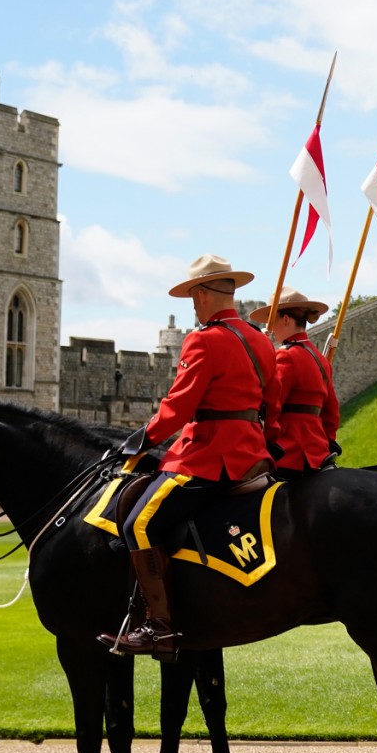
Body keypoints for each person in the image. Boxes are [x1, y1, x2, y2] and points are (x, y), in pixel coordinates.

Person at [100, 255, 278, 655]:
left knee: (137, 524)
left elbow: (178, 408)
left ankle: (158, 625)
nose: (192, 306)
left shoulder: (203, 338)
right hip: (252, 454)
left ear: (201, 294)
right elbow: (274, 404)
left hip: (210, 456)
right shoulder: (261, 341)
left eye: (192, 297)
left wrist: (142, 438)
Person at [250, 287, 341, 474]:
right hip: (318, 453)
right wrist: (326, 442)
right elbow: (331, 414)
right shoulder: (321, 359)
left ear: (285, 319)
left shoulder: (285, 356)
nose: (271, 329)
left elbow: (271, 407)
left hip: (289, 453)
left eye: (272, 321)